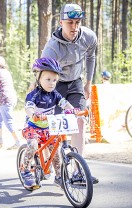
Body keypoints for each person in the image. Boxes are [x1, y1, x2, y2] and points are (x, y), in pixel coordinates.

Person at [41, 3, 99, 184]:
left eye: (77, 22)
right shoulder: (52, 48)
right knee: (56, 128)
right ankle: (57, 169)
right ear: (61, 22)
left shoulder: (88, 36)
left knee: (79, 122)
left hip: (76, 83)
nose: (74, 27)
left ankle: (77, 171)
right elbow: (44, 76)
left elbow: (91, 57)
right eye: (70, 23)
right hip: (54, 85)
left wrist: (88, 82)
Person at [21, 57, 77, 190]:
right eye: (48, 79)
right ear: (38, 78)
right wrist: (33, 114)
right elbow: (28, 107)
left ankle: (58, 177)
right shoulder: (34, 94)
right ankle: (26, 171)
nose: (52, 83)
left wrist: (73, 110)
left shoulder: (55, 94)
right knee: (33, 144)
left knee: (56, 151)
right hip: (33, 127)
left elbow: (64, 103)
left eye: (54, 80)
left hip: (48, 127)